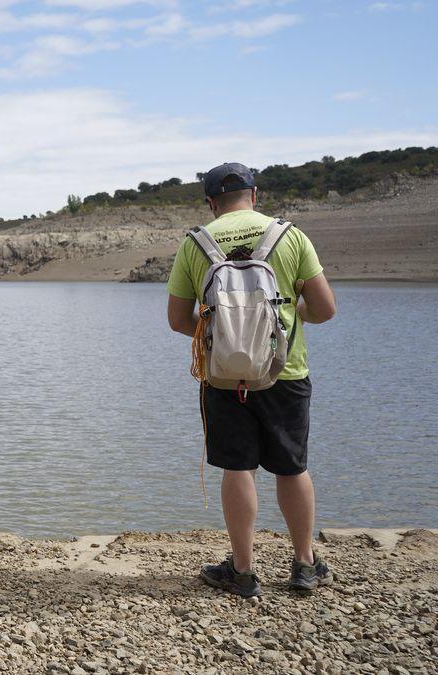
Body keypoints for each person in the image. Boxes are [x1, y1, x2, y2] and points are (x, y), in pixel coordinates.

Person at [166, 162, 337, 598]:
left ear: (210, 202)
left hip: (222, 377)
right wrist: (290, 317)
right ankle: (303, 564)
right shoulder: (290, 236)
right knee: (292, 467)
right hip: (286, 371)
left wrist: (222, 337)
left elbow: (177, 320)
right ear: (254, 195)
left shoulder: (195, 244)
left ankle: (243, 571)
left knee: (237, 467)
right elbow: (324, 309)